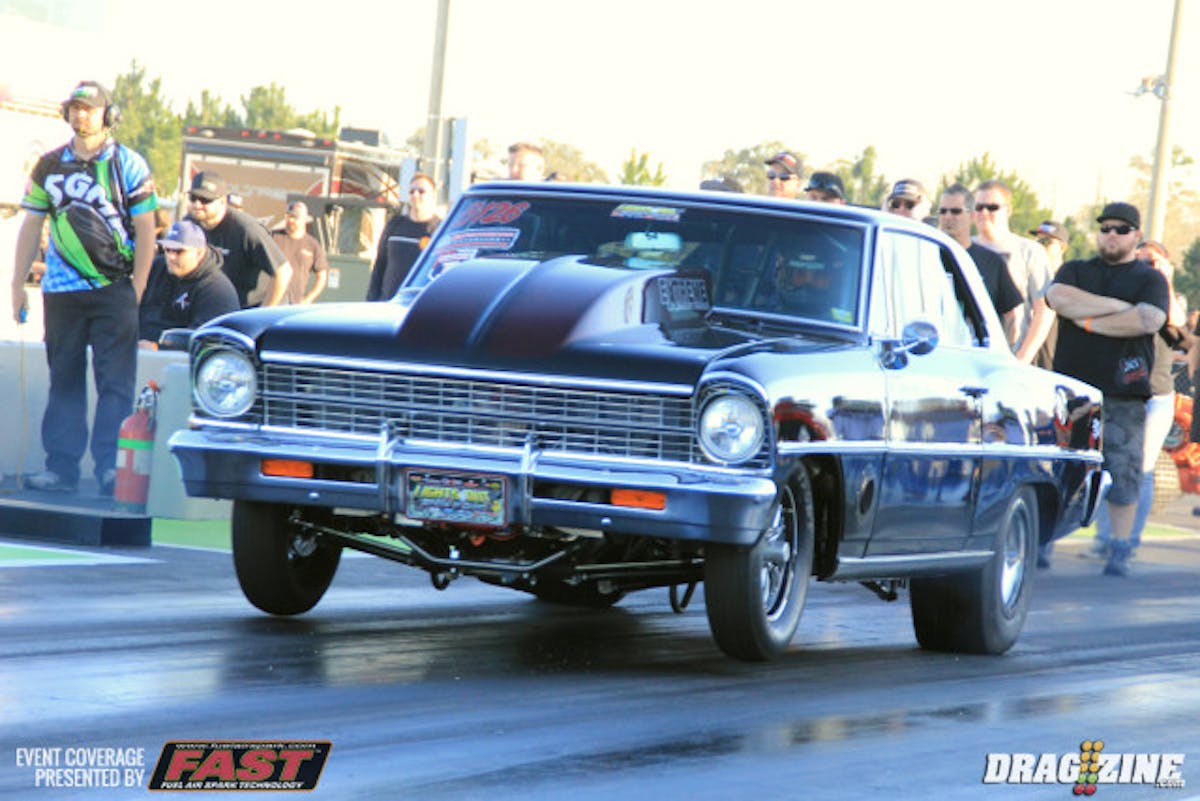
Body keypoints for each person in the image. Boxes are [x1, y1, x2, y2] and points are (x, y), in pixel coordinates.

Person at [10, 80, 158, 495]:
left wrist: (139, 286)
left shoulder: (128, 164)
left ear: (107, 115)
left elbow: (147, 228)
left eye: (90, 109)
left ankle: (110, 467)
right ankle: (61, 467)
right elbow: (31, 223)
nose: (82, 116)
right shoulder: (48, 165)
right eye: (76, 108)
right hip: (61, 291)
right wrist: (18, 282)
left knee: (115, 383)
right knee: (65, 379)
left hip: (114, 290)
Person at [1045, 202, 1169, 577]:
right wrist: (1117, 308)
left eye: (1120, 229)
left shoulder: (1149, 279)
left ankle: (1119, 547)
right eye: (1106, 228)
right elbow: (1057, 298)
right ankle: (1042, 542)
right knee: (1058, 469)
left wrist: (1086, 321)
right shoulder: (1076, 269)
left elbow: (1149, 319)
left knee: (1124, 470)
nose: (1111, 235)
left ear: (1135, 235)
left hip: (1123, 391)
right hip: (1071, 391)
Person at [1089, 238, 1188, 562]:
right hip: (1120, 388)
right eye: (1141, 261)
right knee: (1111, 462)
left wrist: (1164, 277)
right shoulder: (1125, 288)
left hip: (1156, 390)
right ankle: (1106, 537)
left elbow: (1174, 321)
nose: (1146, 268)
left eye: (1153, 262)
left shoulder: (1170, 297)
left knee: (1140, 467)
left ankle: (1127, 539)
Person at [972, 180, 1055, 367]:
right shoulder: (962, 249)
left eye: (992, 207)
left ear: (1008, 210)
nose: (984, 213)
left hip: (1011, 357)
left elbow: (1045, 310)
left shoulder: (1029, 251)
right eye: (978, 207)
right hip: (970, 355)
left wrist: (1022, 358)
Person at [185, 171, 291, 308]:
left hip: (253, 308)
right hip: (218, 305)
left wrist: (262, 314)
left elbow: (284, 271)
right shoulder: (189, 225)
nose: (197, 204)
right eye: (193, 198)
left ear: (222, 201)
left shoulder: (246, 229)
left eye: (205, 200)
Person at [937, 184, 1021, 344]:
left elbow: (1010, 316)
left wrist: (1004, 354)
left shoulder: (993, 261)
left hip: (978, 354)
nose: (947, 217)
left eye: (955, 211)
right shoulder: (928, 257)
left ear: (972, 216)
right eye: (942, 211)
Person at [138, 220, 238, 348]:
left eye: (179, 251)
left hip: (180, 362)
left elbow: (205, 341)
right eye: (167, 250)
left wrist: (157, 348)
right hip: (135, 350)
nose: (171, 257)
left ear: (199, 253)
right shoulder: (156, 268)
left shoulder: (216, 290)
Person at [366, 172, 442, 301]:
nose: (415, 195)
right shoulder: (395, 225)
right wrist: (372, 300)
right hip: (389, 303)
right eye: (412, 191)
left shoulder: (440, 230)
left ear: (433, 196)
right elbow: (380, 265)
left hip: (421, 304)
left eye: (421, 191)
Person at [271, 201, 328, 304]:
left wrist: (307, 299)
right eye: (289, 216)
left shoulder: (313, 245)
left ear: (305, 219)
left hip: (295, 303)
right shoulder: (273, 237)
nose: (291, 220)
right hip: (272, 300)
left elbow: (322, 276)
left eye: (295, 217)